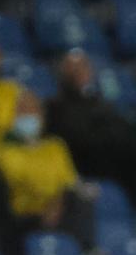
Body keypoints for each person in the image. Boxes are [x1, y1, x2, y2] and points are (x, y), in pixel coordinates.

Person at [0, 90, 85, 239]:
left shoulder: (56, 146)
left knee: (81, 201)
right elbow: (20, 182)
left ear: (41, 115)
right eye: (22, 111)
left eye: (32, 110)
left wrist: (56, 204)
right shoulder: (4, 150)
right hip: (26, 214)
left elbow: (69, 181)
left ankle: (87, 253)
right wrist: (47, 206)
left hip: (60, 210)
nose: (28, 115)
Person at [45, 50, 127, 182]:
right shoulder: (54, 107)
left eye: (83, 67)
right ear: (62, 72)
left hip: (106, 170)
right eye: (73, 68)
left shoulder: (102, 105)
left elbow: (118, 135)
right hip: (72, 170)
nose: (78, 72)